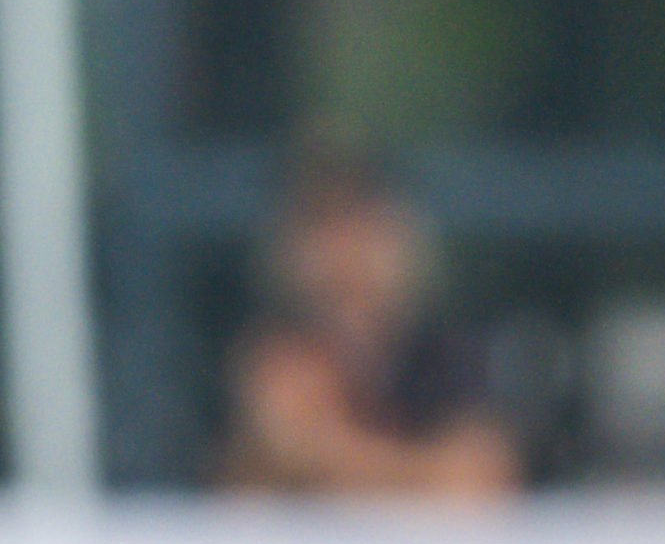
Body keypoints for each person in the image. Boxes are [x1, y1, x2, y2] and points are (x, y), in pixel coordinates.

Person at [217, 151, 520, 500]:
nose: (344, 250)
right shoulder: (272, 353)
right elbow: (240, 499)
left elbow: (481, 480)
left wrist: (328, 451)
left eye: (360, 224)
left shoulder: (448, 349)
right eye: (322, 226)